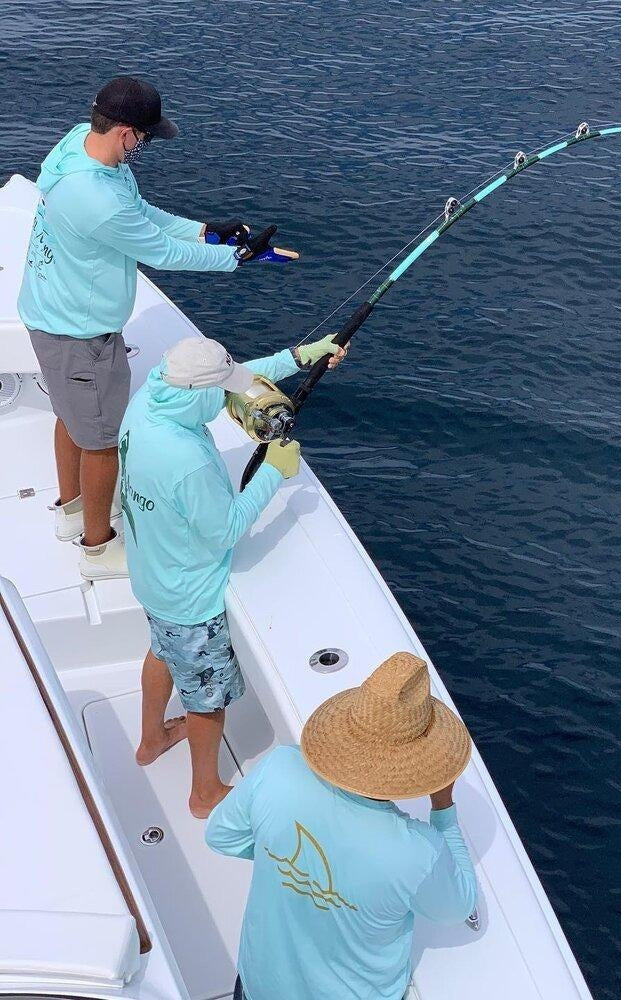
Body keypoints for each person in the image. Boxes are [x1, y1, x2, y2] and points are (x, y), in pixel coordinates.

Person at [17, 75, 295, 581]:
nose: (144, 145)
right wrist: (234, 258)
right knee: (102, 442)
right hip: (79, 334)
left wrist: (207, 230)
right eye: (143, 136)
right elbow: (159, 251)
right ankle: (97, 549)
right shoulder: (92, 196)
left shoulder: (80, 145)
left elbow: (141, 215)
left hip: (50, 314)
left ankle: (72, 510)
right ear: (123, 132)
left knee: (71, 416)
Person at [121, 334, 347, 817]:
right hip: (190, 594)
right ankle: (205, 793)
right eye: (222, 391)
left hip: (150, 573)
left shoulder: (149, 398)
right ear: (200, 393)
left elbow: (232, 375)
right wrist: (275, 470)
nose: (231, 397)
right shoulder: (185, 459)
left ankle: (151, 739)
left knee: (160, 649)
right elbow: (225, 529)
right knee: (206, 698)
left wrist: (301, 356)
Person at [206, 651, 478, 1000]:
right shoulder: (417, 852)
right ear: (422, 762)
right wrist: (443, 808)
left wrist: (285, 860)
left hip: (257, 989)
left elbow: (220, 836)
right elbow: (459, 907)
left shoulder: (279, 768)